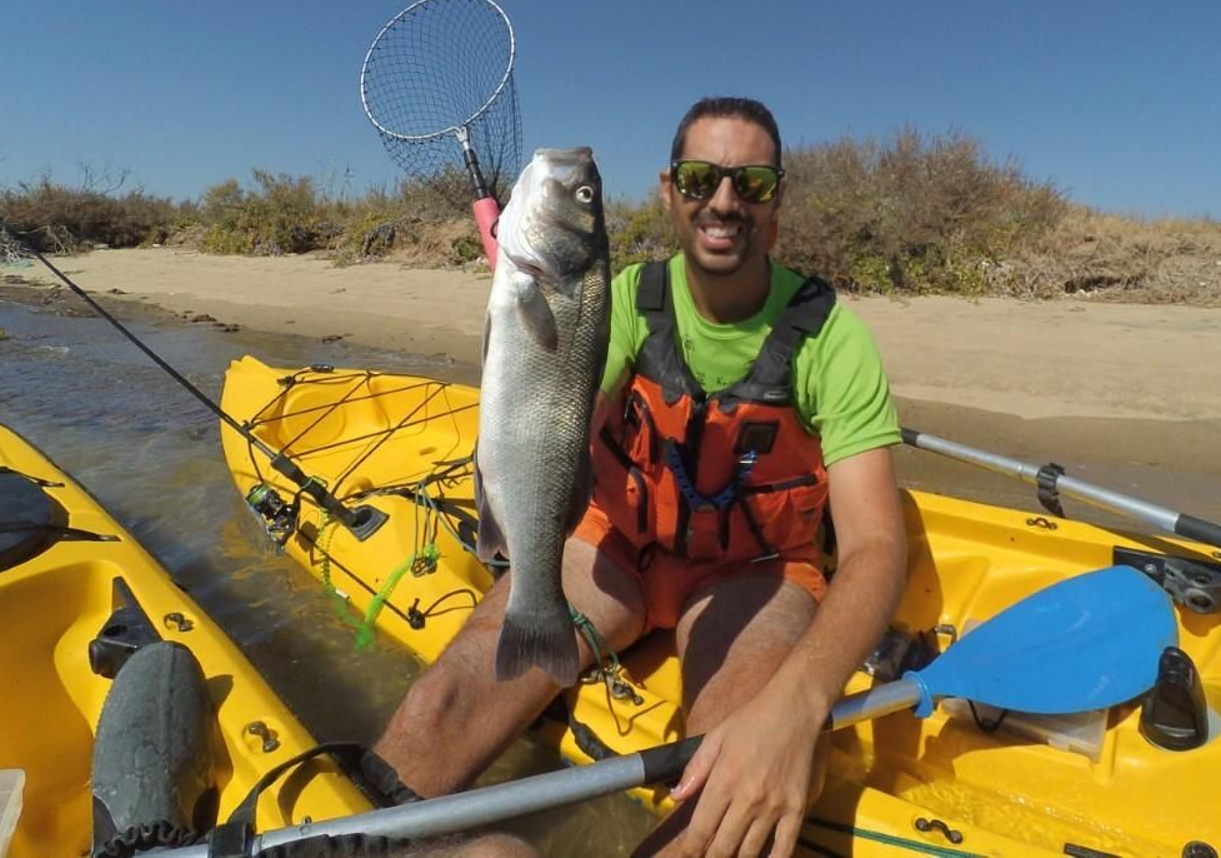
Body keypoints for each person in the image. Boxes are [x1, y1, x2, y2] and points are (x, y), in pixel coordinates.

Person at [370, 96, 906, 858]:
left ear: (776, 198)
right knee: (434, 707)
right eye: (700, 178)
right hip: (615, 545)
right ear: (669, 190)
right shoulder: (619, 300)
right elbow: (557, 425)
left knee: (727, 791)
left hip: (750, 575)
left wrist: (801, 702)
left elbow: (877, 547)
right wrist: (527, 333)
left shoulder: (832, 339)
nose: (723, 201)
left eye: (749, 184)